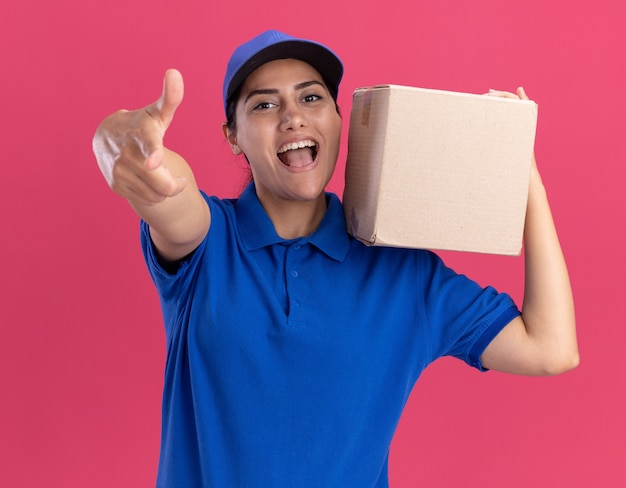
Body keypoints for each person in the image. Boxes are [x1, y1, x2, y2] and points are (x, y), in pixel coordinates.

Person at [92, 30, 578, 488]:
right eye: (264, 104)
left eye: (311, 97)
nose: (293, 117)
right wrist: (125, 146)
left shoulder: (404, 275)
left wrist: (525, 174)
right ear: (233, 135)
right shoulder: (207, 244)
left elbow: (551, 348)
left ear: (340, 121)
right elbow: (169, 191)